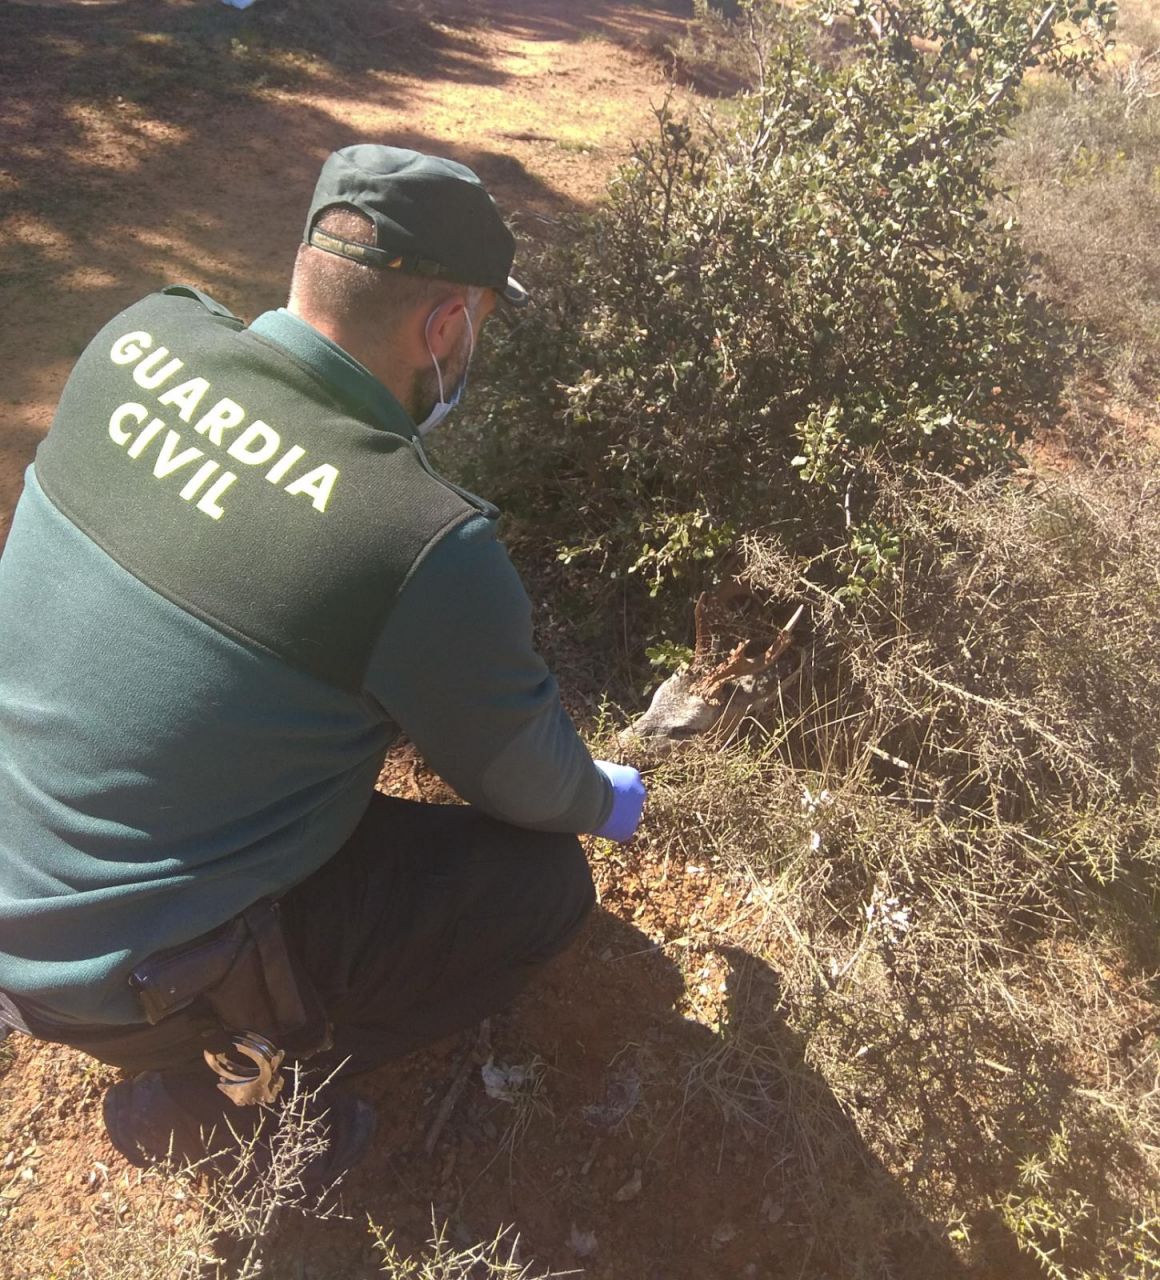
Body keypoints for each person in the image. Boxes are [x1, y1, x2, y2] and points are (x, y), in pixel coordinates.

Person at [0, 144, 646, 1182]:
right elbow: (526, 781)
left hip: (17, 872)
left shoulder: (139, 330)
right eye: (477, 321)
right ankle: (226, 1101)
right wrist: (606, 797)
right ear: (446, 325)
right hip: (111, 976)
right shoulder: (418, 537)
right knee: (541, 886)